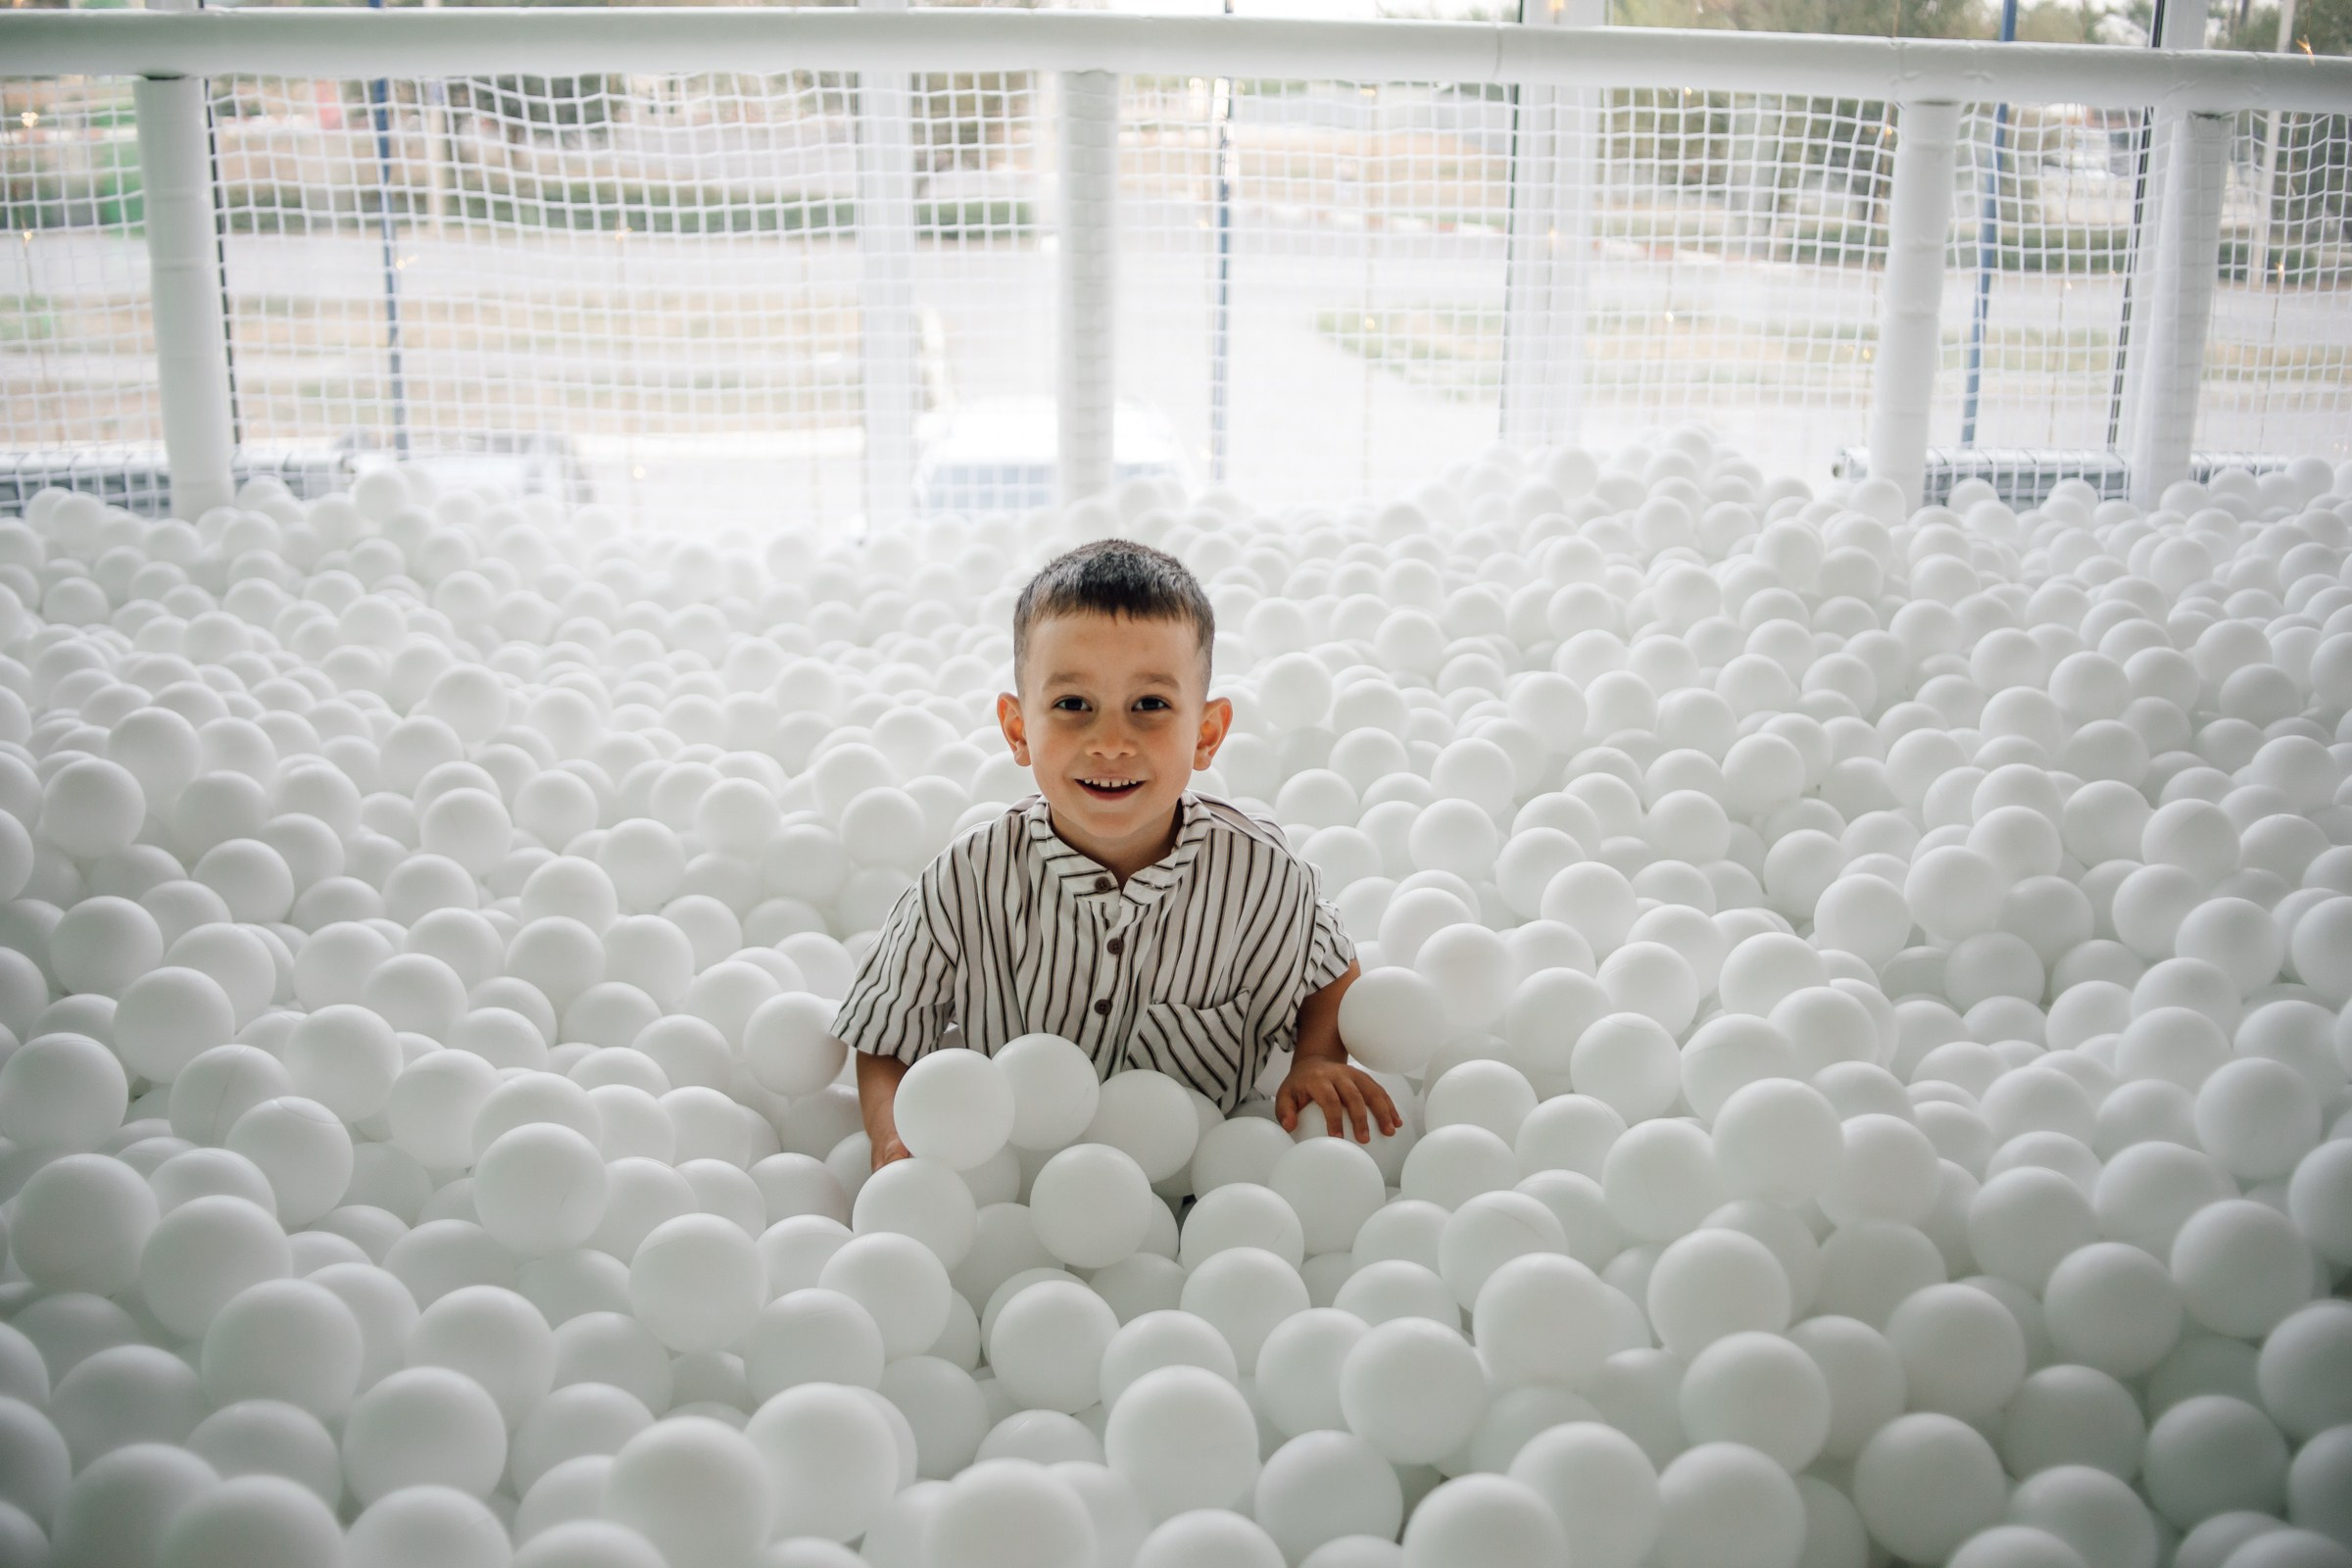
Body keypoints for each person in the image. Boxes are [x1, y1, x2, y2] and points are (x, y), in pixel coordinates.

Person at [832, 537, 1401, 1169]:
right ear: (1018, 730)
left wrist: (1317, 1058)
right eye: (1073, 705)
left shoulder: (1261, 875)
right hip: (1019, 1171)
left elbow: (1329, 970)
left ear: (1206, 734)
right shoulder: (965, 881)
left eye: (1150, 705)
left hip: (1201, 1175)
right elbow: (885, 1037)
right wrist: (892, 1137)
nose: (1110, 742)